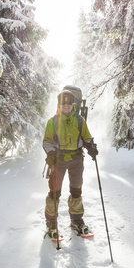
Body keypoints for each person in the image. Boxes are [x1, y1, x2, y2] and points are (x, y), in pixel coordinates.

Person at [43, 89, 98, 239]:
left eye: (68, 103)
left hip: (76, 159)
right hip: (58, 159)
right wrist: (51, 153)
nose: (66, 106)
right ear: (59, 104)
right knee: (55, 192)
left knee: (76, 190)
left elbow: (86, 137)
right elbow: (47, 141)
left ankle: (76, 221)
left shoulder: (80, 121)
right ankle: (51, 224)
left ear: (73, 104)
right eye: (63, 103)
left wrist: (91, 146)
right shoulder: (52, 121)